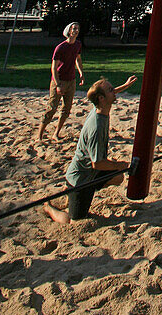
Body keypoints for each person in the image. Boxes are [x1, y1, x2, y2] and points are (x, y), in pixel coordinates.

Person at [43, 74, 138, 224]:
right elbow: (98, 163)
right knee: (73, 222)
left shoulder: (99, 108)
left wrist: (125, 85)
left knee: (118, 177)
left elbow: (109, 95)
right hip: (80, 179)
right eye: (111, 90)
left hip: (91, 173)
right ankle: (49, 208)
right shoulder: (96, 126)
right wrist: (120, 165)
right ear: (101, 98)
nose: (114, 92)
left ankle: (81, 193)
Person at [38, 22, 85, 141]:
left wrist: (81, 73)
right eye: (74, 29)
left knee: (66, 109)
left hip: (71, 80)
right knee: (52, 108)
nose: (76, 31)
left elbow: (77, 59)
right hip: (59, 80)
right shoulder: (60, 47)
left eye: (78, 29)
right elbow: (53, 67)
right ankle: (40, 135)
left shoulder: (78, 45)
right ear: (69, 31)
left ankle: (56, 133)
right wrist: (58, 85)